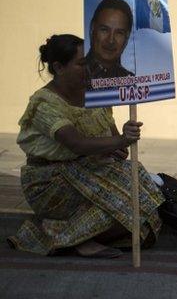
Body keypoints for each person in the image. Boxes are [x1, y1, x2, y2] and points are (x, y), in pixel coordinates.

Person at [7, 35, 163, 258]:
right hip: (52, 180)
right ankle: (66, 238)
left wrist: (118, 145)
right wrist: (120, 140)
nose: (89, 68)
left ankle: (73, 236)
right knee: (125, 209)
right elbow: (76, 143)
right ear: (59, 67)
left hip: (91, 170)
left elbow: (112, 138)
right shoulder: (44, 102)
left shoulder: (96, 92)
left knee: (140, 190)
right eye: (82, 64)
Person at [86, 0, 135, 89]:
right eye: (104, 30)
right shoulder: (76, 76)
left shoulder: (130, 82)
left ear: (127, 37)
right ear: (92, 29)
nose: (111, 40)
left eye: (119, 33)